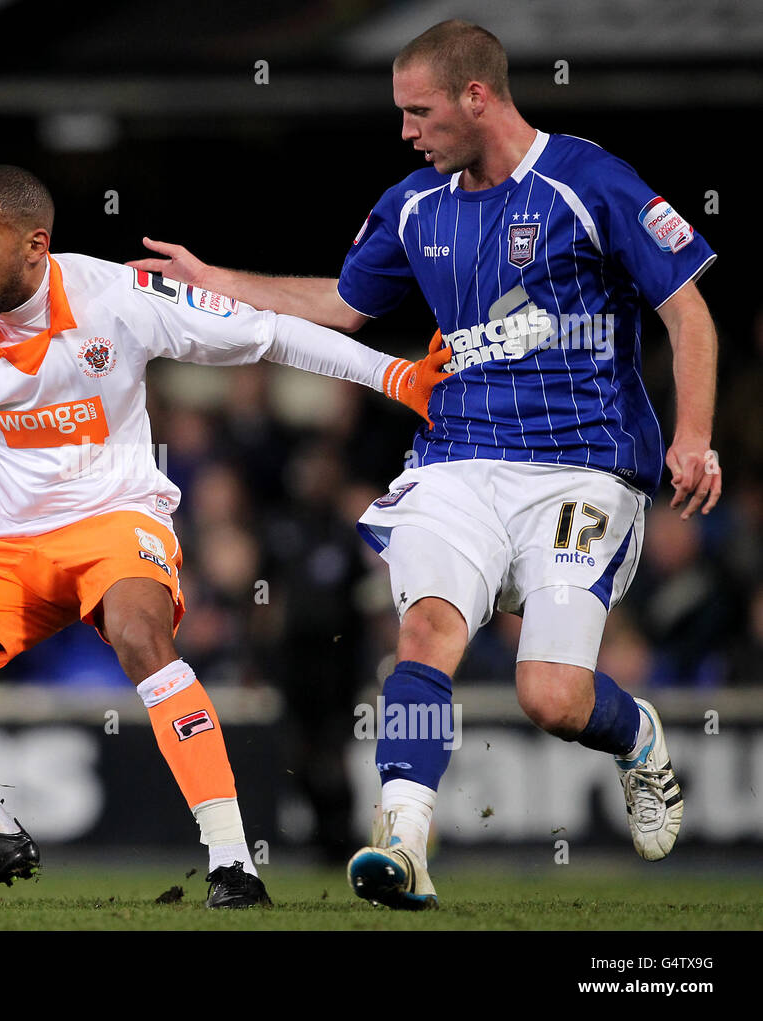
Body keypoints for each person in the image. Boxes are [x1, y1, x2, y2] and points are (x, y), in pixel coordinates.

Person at [128, 19, 720, 909]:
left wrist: (693, 435)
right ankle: (403, 840)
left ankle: (636, 736)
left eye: (420, 111)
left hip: (583, 470)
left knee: (551, 695)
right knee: (425, 634)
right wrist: (221, 279)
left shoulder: (587, 181)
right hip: (458, 463)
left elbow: (689, 313)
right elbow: (339, 303)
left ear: (476, 98)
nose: (406, 130)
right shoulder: (416, 202)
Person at [0, 164, 446, 908]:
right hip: (9, 544)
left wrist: (394, 376)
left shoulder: (118, 296)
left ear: (34, 245)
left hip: (116, 521)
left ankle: (233, 863)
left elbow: (269, 335)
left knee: (144, 635)